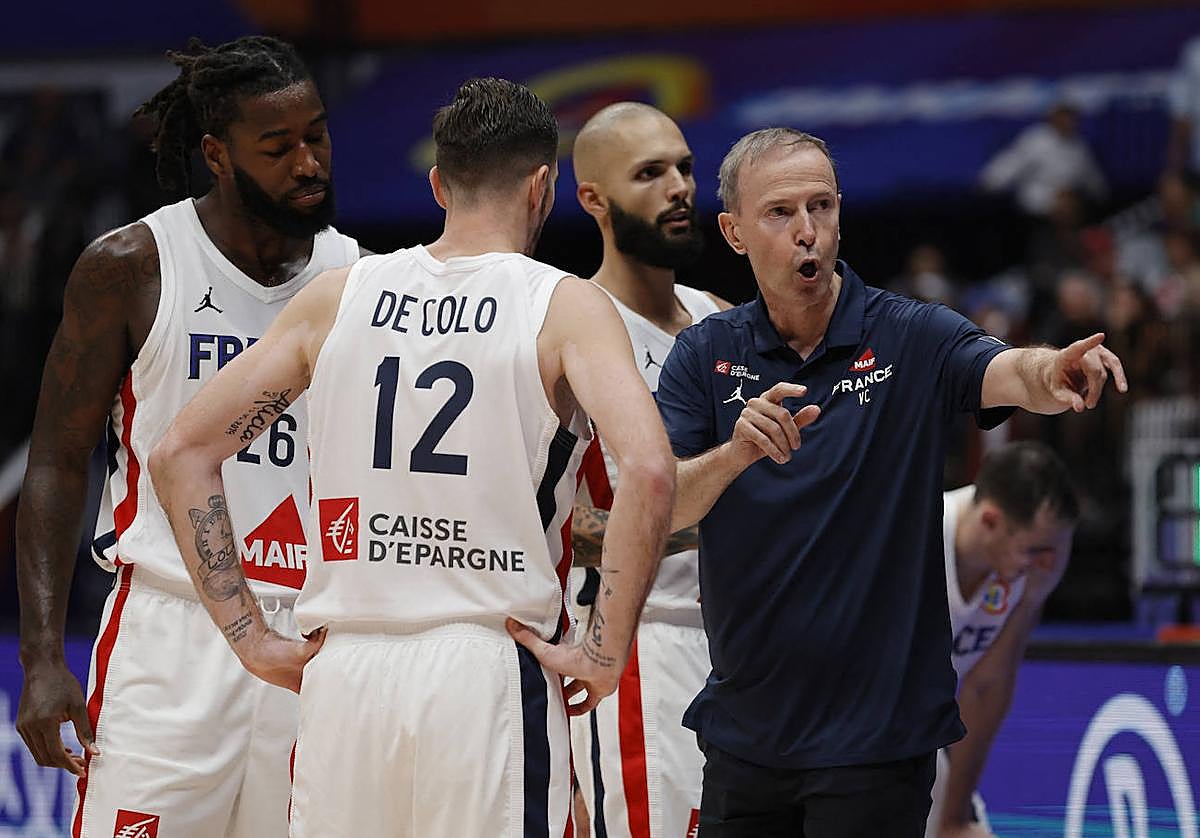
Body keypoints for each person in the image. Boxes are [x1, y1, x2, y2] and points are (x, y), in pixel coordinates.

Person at [148, 77, 676, 836]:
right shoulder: (562, 304)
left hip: (345, 676)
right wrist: (603, 650)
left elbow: (179, 452)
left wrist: (251, 638)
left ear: (437, 183)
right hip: (485, 669)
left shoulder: (338, 296)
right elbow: (651, 471)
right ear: (542, 187)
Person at [654, 127, 1126, 837]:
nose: (808, 231)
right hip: (745, 741)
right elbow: (659, 510)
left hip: (876, 747)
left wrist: (1050, 370)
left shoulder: (909, 336)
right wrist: (734, 455)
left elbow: (1004, 370)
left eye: (822, 207)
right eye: (781, 213)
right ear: (735, 231)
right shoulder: (702, 355)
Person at [14, 36, 362, 836]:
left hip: (311, 636)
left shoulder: (359, 277)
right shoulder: (133, 265)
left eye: (316, 136)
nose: (308, 162)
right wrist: (40, 654)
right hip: (171, 633)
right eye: (278, 147)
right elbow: (57, 462)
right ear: (216, 153)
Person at [568, 101, 729, 838]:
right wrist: (712, 519)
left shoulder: (720, 319)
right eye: (650, 173)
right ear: (593, 199)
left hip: (734, 645)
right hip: (634, 645)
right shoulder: (565, 325)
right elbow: (562, 524)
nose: (679, 187)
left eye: (685, 168)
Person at [926, 441, 1078, 838]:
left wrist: (955, 817)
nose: (1048, 564)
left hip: (905, 733)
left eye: (1057, 549)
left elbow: (985, 687)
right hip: (829, 731)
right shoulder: (916, 538)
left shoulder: (1019, 569)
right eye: (1037, 550)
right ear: (991, 521)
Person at [980, 101, 1107, 219]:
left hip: (1069, 201)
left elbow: (1090, 174)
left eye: (1071, 118)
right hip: (1038, 199)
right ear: (1053, 118)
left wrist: (1100, 194)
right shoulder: (1036, 140)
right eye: (1063, 117)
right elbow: (1012, 162)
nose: (1068, 122)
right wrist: (991, 181)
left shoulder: (1078, 145)